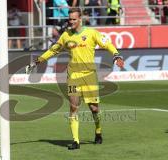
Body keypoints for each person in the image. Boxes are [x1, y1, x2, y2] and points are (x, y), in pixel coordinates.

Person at [25, 8, 124, 150]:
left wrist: (116, 55)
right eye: (69, 19)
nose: (70, 21)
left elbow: (107, 43)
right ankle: (76, 141)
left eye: (73, 19)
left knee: (94, 109)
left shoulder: (91, 33)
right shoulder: (65, 36)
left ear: (80, 19)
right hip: (73, 76)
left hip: (89, 76)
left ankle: (98, 131)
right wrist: (37, 61)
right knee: (73, 106)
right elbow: (53, 50)